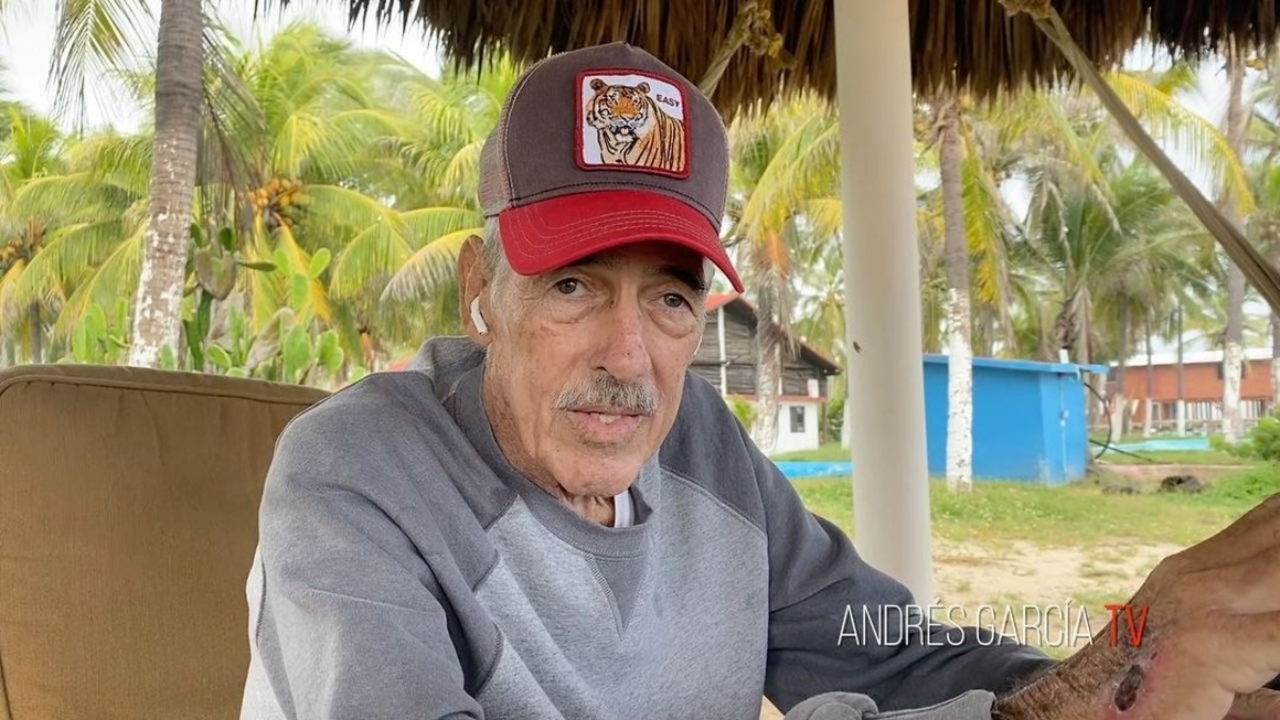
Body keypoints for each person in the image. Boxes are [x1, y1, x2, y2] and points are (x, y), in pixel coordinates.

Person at [238, 42, 1280, 720]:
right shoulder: (359, 476)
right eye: (571, 285)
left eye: (670, 297)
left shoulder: (701, 445)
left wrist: (1124, 671)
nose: (626, 356)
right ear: (481, 289)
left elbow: (887, 650)